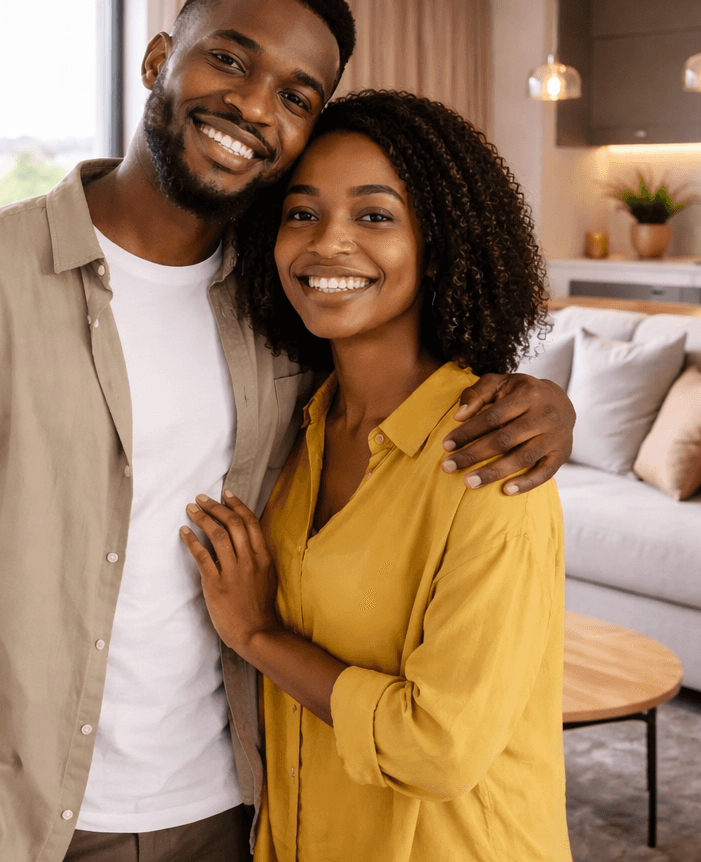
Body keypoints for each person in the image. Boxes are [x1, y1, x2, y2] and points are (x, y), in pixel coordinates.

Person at [0, 0, 576, 862]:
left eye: (298, 97)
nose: (256, 106)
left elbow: (412, 368)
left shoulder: (284, 310)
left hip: (239, 811)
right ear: (158, 60)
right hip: (15, 827)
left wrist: (544, 399)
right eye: (230, 60)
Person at [184, 90, 572, 861]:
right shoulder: (296, 431)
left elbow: (437, 749)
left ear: (443, 243)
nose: (328, 244)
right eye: (301, 213)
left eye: (374, 215)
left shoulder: (490, 467)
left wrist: (257, 634)